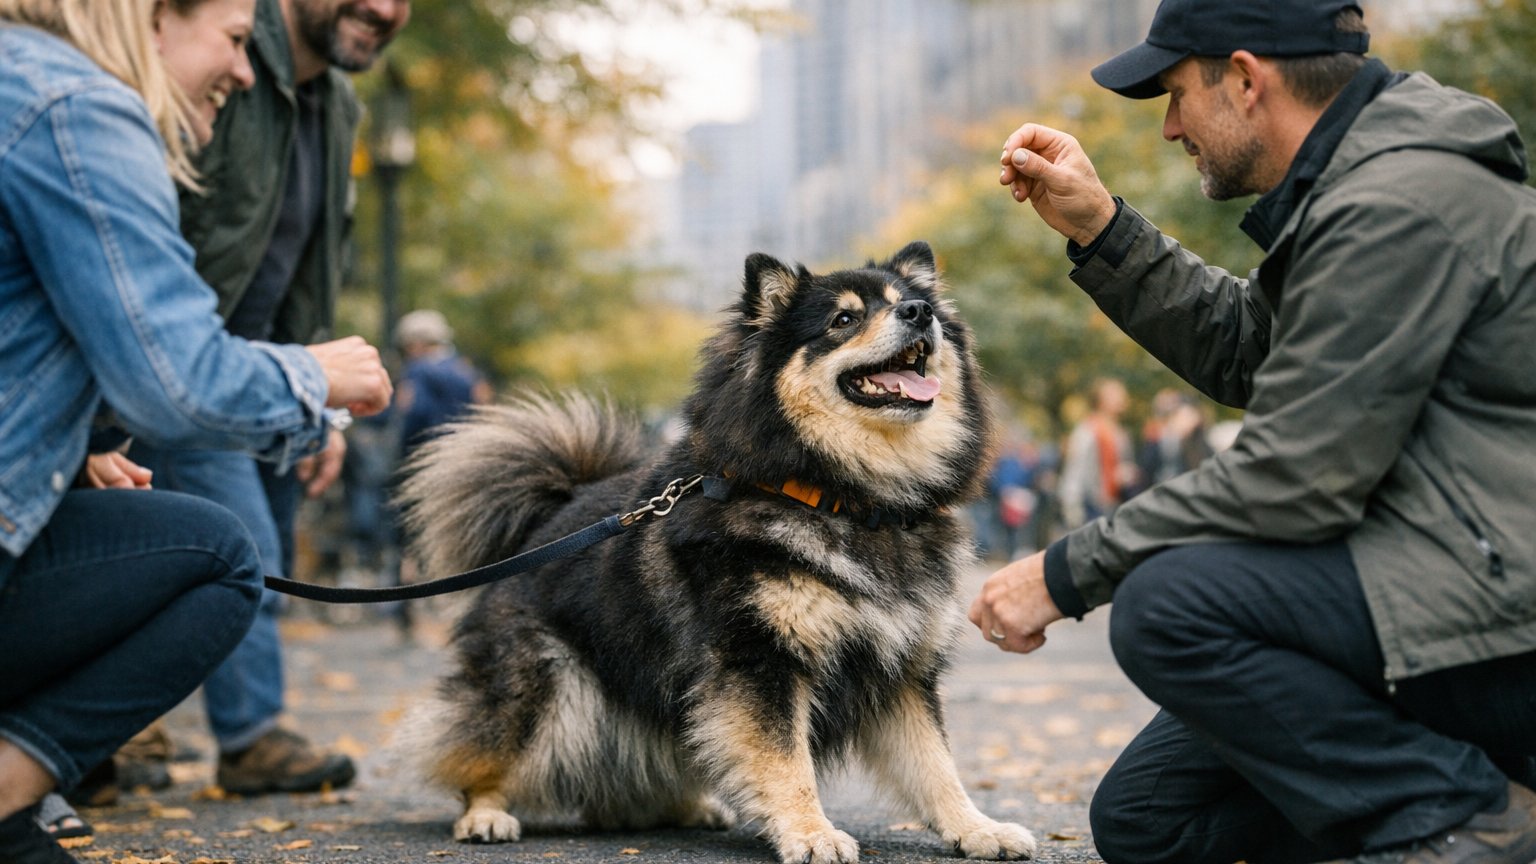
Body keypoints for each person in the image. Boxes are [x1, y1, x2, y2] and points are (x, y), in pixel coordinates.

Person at [969, 1, 1536, 862]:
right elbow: (1250, 351)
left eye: (1174, 95)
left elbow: (1293, 474)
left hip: (1499, 619)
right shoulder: (1351, 188)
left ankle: (1468, 815)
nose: (1167, 128)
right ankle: (1466, 794)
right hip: (1416, 578)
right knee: (1152, 822)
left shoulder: (1402, 201)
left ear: (1243, 79)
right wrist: (1101, 228)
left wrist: (1064, 572)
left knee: (1169, 607)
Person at [0, 0, 393, 858]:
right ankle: (11, 788)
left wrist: (79, 450)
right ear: (149, 19)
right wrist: (313, 376)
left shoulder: (19, 75)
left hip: (172, 390)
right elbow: (174, 379)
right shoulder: (78, 107)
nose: (246, 72)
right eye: (230, 40)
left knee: (192, 538)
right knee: (224, 559)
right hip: (214, 364)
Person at [121, 0, 412, 797]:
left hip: (278, 371)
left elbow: (312, 263)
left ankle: (119, 740)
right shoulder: (227, 62)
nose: (385, 9)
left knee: (263, 550)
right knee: (237, 544)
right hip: (191, 363)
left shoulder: (338, 105)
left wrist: (322, 407)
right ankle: (240, 735)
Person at [1056, 377, 1138, 529]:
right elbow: (1075, 469)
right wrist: (1071, 505)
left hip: (1116, 503)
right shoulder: (1087, 430)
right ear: (1101, 399)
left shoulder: (1121, 433)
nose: (1122, 398)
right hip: (1091, 506)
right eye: (1115, 394)